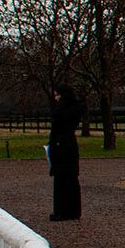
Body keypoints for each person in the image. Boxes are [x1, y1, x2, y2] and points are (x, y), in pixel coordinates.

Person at [48, 85, 84, 221]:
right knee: (69, 179)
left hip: (62, 146)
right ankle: (71, 210)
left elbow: (59, 126)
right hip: (67, 145)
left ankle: (63, 211)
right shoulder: (73, 109)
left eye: (57, 95)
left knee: (63, 179)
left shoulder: (64, 111)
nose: (56, 98)